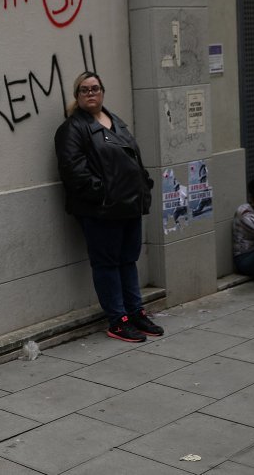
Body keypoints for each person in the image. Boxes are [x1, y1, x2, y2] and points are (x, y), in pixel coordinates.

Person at [54, 72, 162, 343]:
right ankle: (118, 319)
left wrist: (143, 185)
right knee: (107, 264)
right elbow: (74, 173)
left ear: (103, 92)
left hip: (129, 206)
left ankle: (135, 311)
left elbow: (132, 160)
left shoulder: (117, 122)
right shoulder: (72, 129)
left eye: (95, 88)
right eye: (84, 90)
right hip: (102, 210)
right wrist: (105, 195)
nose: (91, 93)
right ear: (77, 96)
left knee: (128, 261)